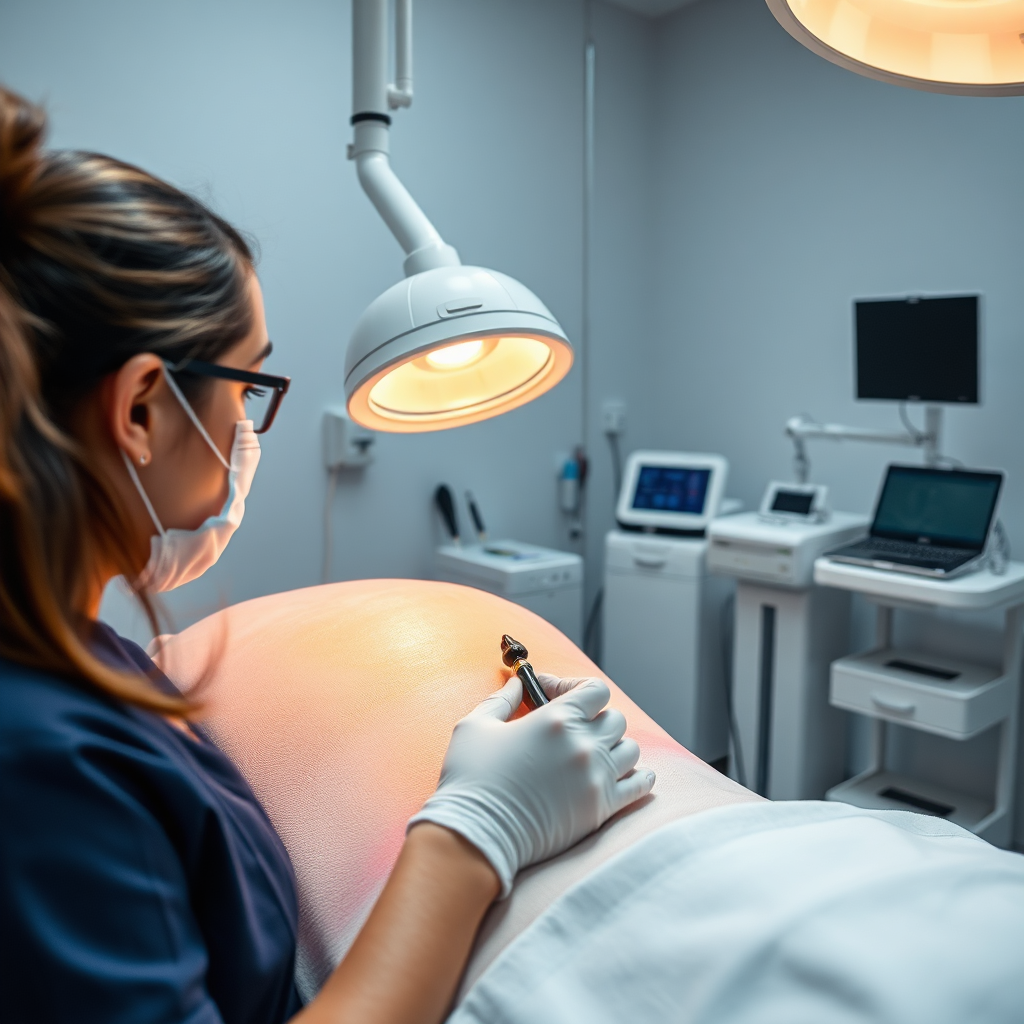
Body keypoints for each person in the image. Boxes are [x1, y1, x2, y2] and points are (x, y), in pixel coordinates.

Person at [0, 84, 655, 1024]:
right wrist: (472, 834)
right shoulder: (35, 771)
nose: (247, 426)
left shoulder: (71, 646)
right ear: (142, 409)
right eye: (246, 383)